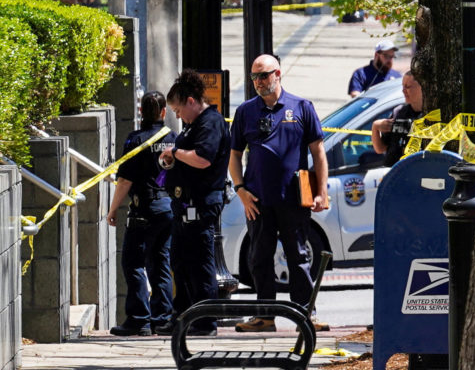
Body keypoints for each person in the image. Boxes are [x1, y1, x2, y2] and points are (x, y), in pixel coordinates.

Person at [229, 54, 330, 332]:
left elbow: (318, 153)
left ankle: (305, 315)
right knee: (259, 258)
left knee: (298, 257)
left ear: (278, 74)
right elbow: (234, 155)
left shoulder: (301, 107)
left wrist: (321, 191)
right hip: (257, 200)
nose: (259, 82)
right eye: (254, 77)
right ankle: (265, 316)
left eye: (264, 75)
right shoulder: (245, 112)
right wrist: (240, 190)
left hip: (294, 198)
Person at [155, 69, 230, 336]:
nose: (177, 115)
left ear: (190, 101)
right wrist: (171, 160)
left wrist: (176, 151)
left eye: (177, 109)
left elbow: (203, 158)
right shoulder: (193, 125)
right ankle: (184, 316)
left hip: (200, 204)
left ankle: (205, 320)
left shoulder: (210, 123)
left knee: (199, 263)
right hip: (184, 204)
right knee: (181, 261)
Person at [107, 91, 177, 336]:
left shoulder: (135, 140)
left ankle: (139, 319)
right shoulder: (172, 137)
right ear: (163, 112)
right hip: (167, 208)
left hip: (144, 209)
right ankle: (162, 319)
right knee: (160, 263)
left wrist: (113, 209)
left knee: (133, 262)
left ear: (140, 112)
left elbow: (125, 179)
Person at [371, 71, 424, 167]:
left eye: (407, 87)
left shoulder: (432, 115)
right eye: (403, 86)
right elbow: (380, 148)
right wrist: (375, 127)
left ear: (421, 87)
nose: (403, 91)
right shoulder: (399, 112)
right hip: (395, 172)